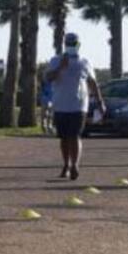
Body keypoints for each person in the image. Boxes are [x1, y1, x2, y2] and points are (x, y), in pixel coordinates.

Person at [45, 32, 104, 181]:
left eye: (74, 44)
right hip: (60, 105)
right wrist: (60, 67)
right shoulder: (55, 60)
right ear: (65, 45)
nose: (71, 47)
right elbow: (48, 78)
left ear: (78, 45)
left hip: (78, 105)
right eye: (69, 44)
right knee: (64, 137)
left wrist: (99, 102)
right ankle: (66, 164)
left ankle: (75, 165)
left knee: (75, 135)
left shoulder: (85, 62)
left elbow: (92, 83)